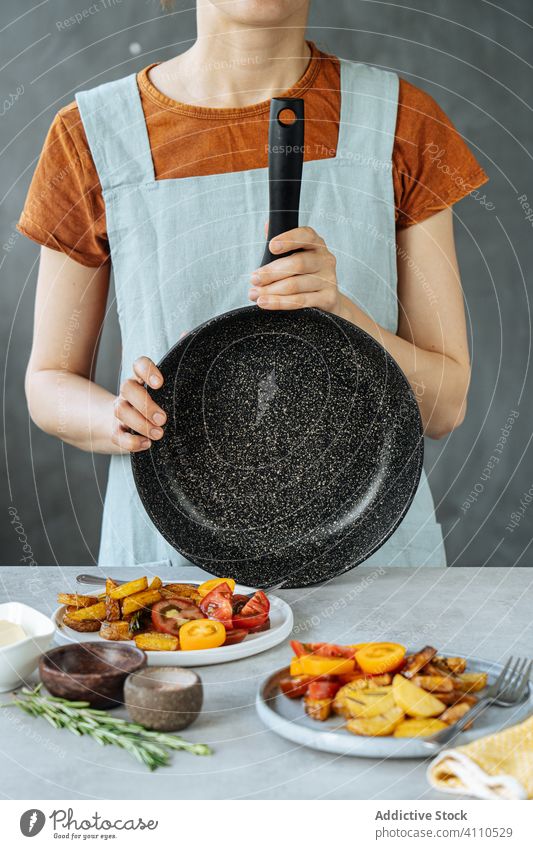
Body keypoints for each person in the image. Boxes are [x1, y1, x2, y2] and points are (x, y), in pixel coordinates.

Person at [20, 0, 487, 569]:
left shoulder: (402, 121)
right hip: (176, 570)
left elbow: (444, 407)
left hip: (373, 563)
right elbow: (49, 383)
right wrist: (115, 417)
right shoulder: (90, 137)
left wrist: (344, 315)